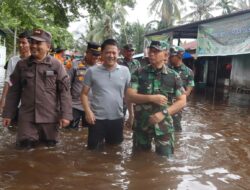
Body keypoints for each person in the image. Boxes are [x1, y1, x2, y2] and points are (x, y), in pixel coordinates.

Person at [2, 29, 72, 149]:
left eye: (38, 43)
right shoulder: (21, 65)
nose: (33, 45)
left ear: (48, 46)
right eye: (32, 42)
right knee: (24, 150)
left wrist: (66, 115)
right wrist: (8, 114)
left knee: (50, 151)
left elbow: (64, 92)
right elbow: (14, 92)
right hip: (27, 118)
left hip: (49, 118)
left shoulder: (57, 65)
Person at [126, 40, 186, 156]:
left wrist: (164, 113)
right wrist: (151, 98)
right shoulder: (139, 73)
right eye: (150, 51)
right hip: (142, 125)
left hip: (164, 126)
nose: (152, 54)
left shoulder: (173, 76)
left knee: (165, 161)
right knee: (139, 159)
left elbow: (182, 101)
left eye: (156, 51)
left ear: (166, 55)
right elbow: (130, 96)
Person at [81, 39, 131, 150]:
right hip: (96, 119)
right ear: (102, 54)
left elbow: (128, 96)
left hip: (117, 118)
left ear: (118, 53)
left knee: (115, 151)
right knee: (93, 152)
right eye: (108, 52)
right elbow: (84, 94)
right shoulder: (92, 71)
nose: (111, 55)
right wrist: (88, 112)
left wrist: (132, 116)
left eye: (114, 53)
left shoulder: (125, 71)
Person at [67, 42, 101, 129]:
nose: (96, 57)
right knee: (70, 132)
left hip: (91, 107)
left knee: (88, 132)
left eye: (98, 55)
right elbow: (67, 85)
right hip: (75, 105)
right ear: (87, 52)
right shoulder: (75, 64)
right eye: (94, 54)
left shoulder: (100, 69)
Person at [0, 31, 31, 114]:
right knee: (11, 124)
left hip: (29, 104)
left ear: (30, 44)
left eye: (24, 43)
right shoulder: (13, 60)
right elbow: (8, 81)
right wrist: (3, 100)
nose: (20, 45)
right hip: (14, 102)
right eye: (19, 42)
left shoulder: (34, 61)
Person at [168, 45, 195, 132]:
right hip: (164, 101)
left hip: (177, 103)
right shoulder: (166, 68)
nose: (170, 58)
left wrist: (179, 100)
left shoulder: (188, 72)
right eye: (170, 56)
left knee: (176, 126)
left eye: (172, 56)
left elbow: (188, 90)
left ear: (179, 56)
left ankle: (177, 143)